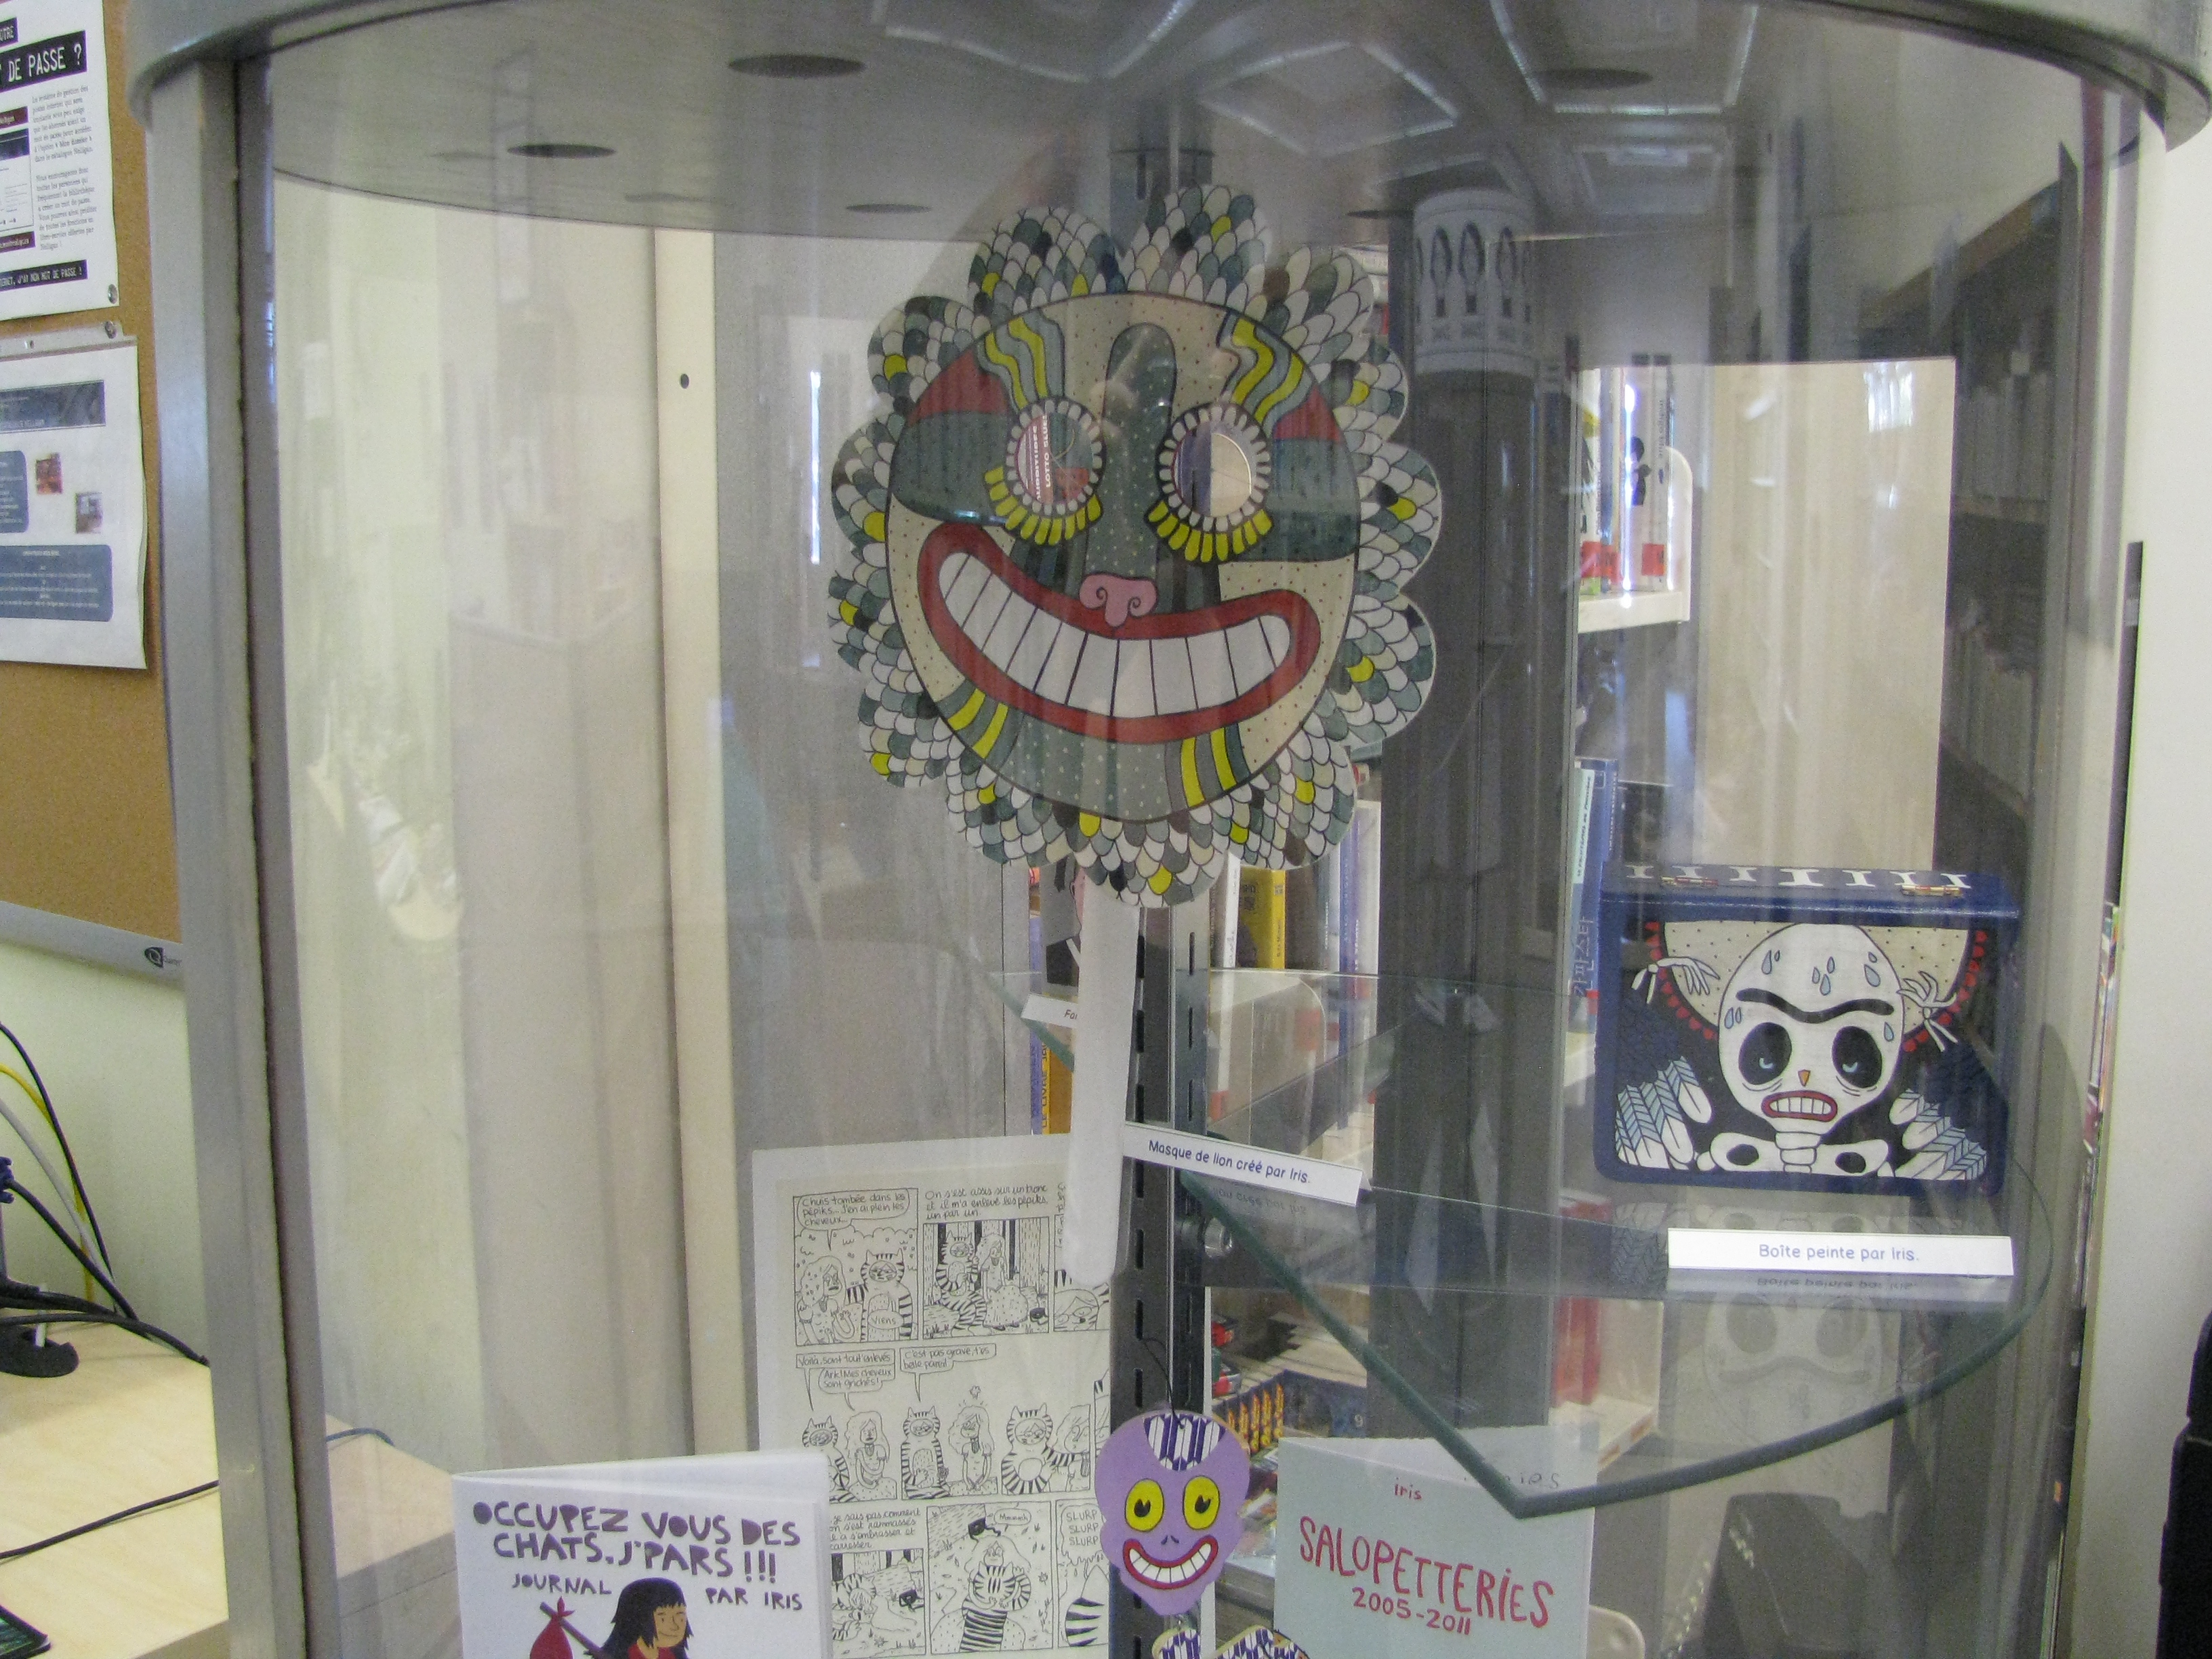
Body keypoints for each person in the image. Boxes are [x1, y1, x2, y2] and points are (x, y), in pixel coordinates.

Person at [602, 1578, 689, 1659]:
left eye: (680, 1617)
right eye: (663, 1619)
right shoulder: (624, 1654)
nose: (675, 1626)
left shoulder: (672, 1655)